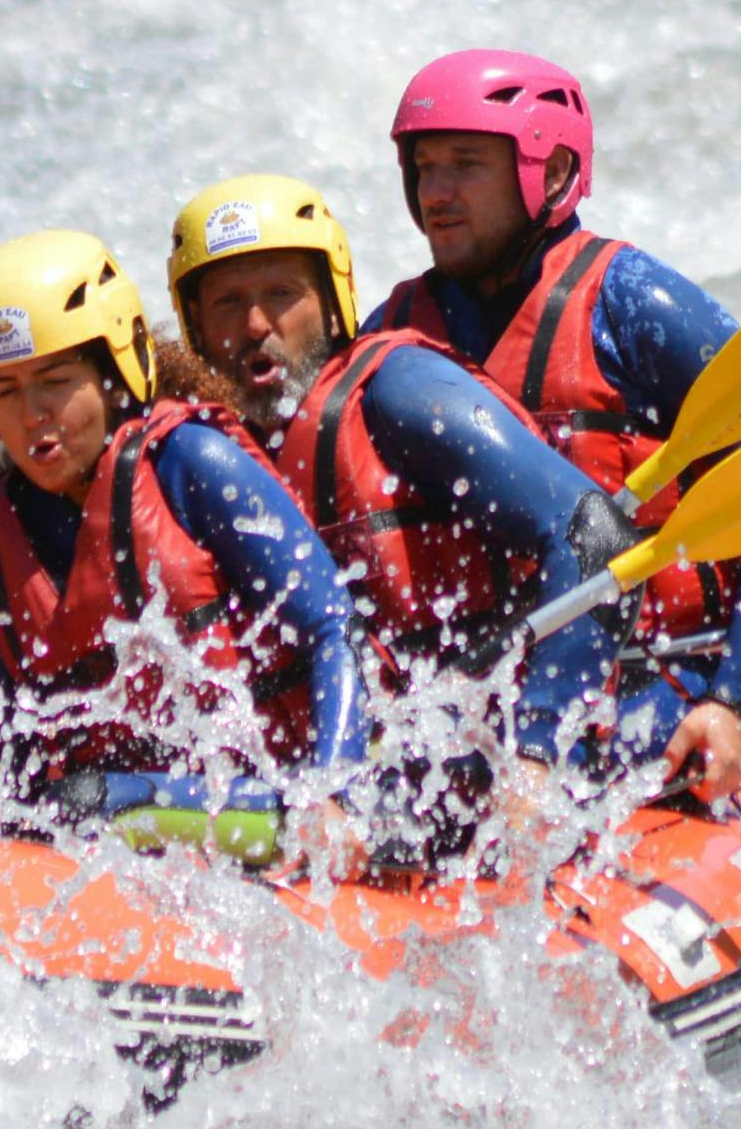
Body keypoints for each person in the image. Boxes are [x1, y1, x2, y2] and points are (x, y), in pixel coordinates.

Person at [362, 51, 741, 797]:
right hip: (476, 723)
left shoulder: (633, 303)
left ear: (550, 174)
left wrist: (732, 698)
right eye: (424, 169)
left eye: (466, 166)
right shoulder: (391, 341)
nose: (438, 193)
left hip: (655, 700)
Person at [165, 171, 634, 799]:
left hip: (500, 771)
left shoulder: (399, 392)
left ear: (331, 301)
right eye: (227, 302)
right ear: (192, 325)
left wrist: (536, 751)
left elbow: (597, 536)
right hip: (339, 795)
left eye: (280, 293)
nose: (255, 324)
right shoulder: (189, 459)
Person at [0, 230, 370, 814]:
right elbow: (4, 736)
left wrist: (333, 795)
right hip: (126, 818)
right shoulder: (5, 532)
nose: (33, 413)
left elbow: (333, 627)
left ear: (116, 373)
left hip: (278, 796)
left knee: (79, 801)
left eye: (57, 381)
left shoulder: (190, 460)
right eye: (6, 390)